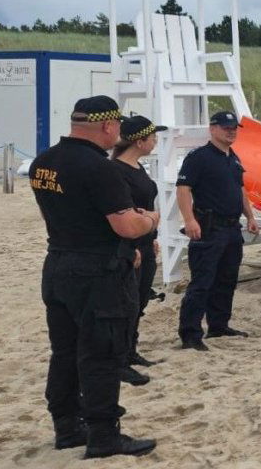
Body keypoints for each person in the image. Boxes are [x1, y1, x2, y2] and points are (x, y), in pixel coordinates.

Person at [31, 95, 156, 458]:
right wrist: (150, 220)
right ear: (108, 125)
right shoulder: (100, 168)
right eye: (117, 125)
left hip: (58, 260)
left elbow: (60, 213)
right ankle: (103, 435)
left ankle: (67, 426)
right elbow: (127, 225)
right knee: (101, 353)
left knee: (65, 351)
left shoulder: (44, 161)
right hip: (97, 271)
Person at [176, 110, 258, 351]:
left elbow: (240, 189)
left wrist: (250, 216)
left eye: (233, 128)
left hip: (232, 227)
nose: (230, 131)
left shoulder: (233, 157)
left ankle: (218, 325)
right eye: (225, 127)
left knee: (227, 279)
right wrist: (189, 220)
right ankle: (190, 333)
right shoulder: (199, 157)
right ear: (212, 129)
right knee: (202, 282)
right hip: (209, 228)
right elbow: (183, 189)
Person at [111, 115, 167, 381]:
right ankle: (119, 357)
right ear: (140, 141)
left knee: (141, 299)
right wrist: (132, 243)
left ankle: (131, 349)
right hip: (129, 245)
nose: (155, 142)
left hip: (145, 242)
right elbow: (122, 213)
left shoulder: (138, 167)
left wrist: (151, 234)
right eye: (153, 137)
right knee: (126, 302)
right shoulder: (117, 171)